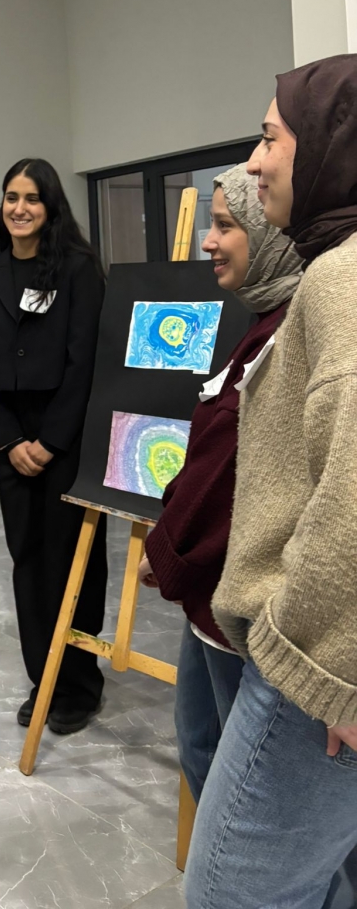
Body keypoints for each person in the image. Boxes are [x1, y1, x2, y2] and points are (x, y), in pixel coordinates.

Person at [185, 55, 357, 909]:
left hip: (316, 677)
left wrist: (330, 667)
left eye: (271, 137)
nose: (255, 161)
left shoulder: (340, 279)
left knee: (228, 893)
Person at [137, 163, 301, 801]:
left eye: (226, 226)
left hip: (243, 606)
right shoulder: (261, 321)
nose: (209, 242)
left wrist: (168, 549)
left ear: (269, 237)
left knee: (246, 791)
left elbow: (230, 474)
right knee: (201, 745)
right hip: (211, 595)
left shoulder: (291, 333)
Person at [0, 157, 108, 735]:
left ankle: (78, 683)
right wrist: (10, 440)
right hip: (13, 442)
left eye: (31, 198)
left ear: (51, 207)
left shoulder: (78, 270)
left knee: (73, 561)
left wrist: (50, 441)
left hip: (66, 439)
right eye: (11, 197)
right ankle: (44, 678)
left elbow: (85, 363)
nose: (19, 208)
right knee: (27, 559)